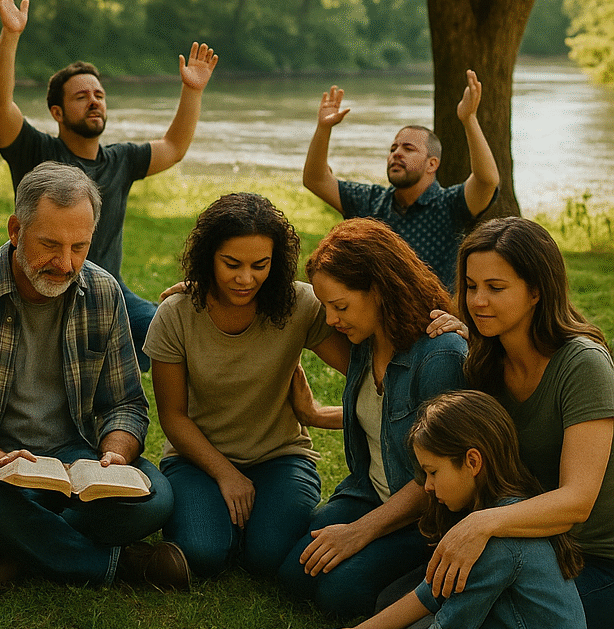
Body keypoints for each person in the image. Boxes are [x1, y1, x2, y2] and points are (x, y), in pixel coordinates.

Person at [0, 161, 185, 595]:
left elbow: (126, 404)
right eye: (50, 245)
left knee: (157, 500)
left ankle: (17, 553)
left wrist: (114, 454)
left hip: (77, 459)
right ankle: (121, 566)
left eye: (80, 246)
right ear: (16, 230)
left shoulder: (103, 290)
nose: (65, 262)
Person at [0, 0, 219, 371]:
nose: (94, 102)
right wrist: (10, 35)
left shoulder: (121, 160)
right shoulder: (36, 151)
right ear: (56, 112)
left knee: (180, 333)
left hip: (110, 293)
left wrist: (192, 92)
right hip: (47, 286)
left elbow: (174, 148)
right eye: (81, 96)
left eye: (99, 95)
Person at [142, 192, 351, 578]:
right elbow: (172, 416)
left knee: (269, 557)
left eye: (260, 265)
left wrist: (318, 415)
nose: (245, 278)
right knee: (201, 554)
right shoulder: (177, 313)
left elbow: (366, 372)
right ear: (208, 257)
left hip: (281, 456)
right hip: (197, 460)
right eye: (231, 264)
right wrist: (226, 474)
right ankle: (223, 526)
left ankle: (247, 530)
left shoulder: (299, 305)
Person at [427, 216, 614, 628]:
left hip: (593, 561)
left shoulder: (583, 364)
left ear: (535, 292)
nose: (477, 301)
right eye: (471, 286)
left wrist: (482, 523)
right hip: (522, 542)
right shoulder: (483, 361)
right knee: (408, 596)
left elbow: (577, 501)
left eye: (496, 288)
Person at [278, 218, 467, 617]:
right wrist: (199, 292)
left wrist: (359, 533)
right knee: (294, 576)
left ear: (380, 291)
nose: (330, 319)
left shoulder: (439, 356)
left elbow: (438, 473)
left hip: (427, 515)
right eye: (326, 306)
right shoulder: (363, 340)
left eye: (340, 306)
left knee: (339, 594)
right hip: (369, 491)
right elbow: (382, 416)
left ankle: (426, 581)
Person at [347, 390, 586, 629]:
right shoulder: (504, 509)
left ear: (472, 462)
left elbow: (448, 624)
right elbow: (431, 592)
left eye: (433, 472)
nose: (427, 486)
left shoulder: (496, 543)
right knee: (391, 602)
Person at [301, 70, 500, 289]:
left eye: (408, 148)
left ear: (431, 164)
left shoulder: (449, 205)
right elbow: (316, 179)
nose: (396, 153)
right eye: (393, 148)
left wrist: (469, 119)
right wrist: (323, 128)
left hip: (435, 319)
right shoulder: (370, 202)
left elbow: (487, 181)